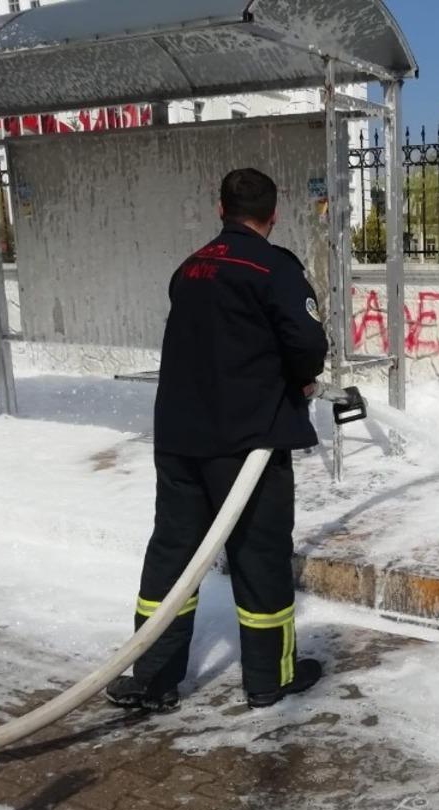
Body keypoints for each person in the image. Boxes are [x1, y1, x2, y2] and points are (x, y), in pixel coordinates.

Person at [107, 168, 329, 713]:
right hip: (246, 445)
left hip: (181, 440)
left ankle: (154, 678)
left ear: (220, 208)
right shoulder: (273, 269)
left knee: (172, 557)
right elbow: (307, 343)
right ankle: (268, 679)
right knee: (260, 557)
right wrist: (299, 375)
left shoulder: (190, 269)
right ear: (273, 215)